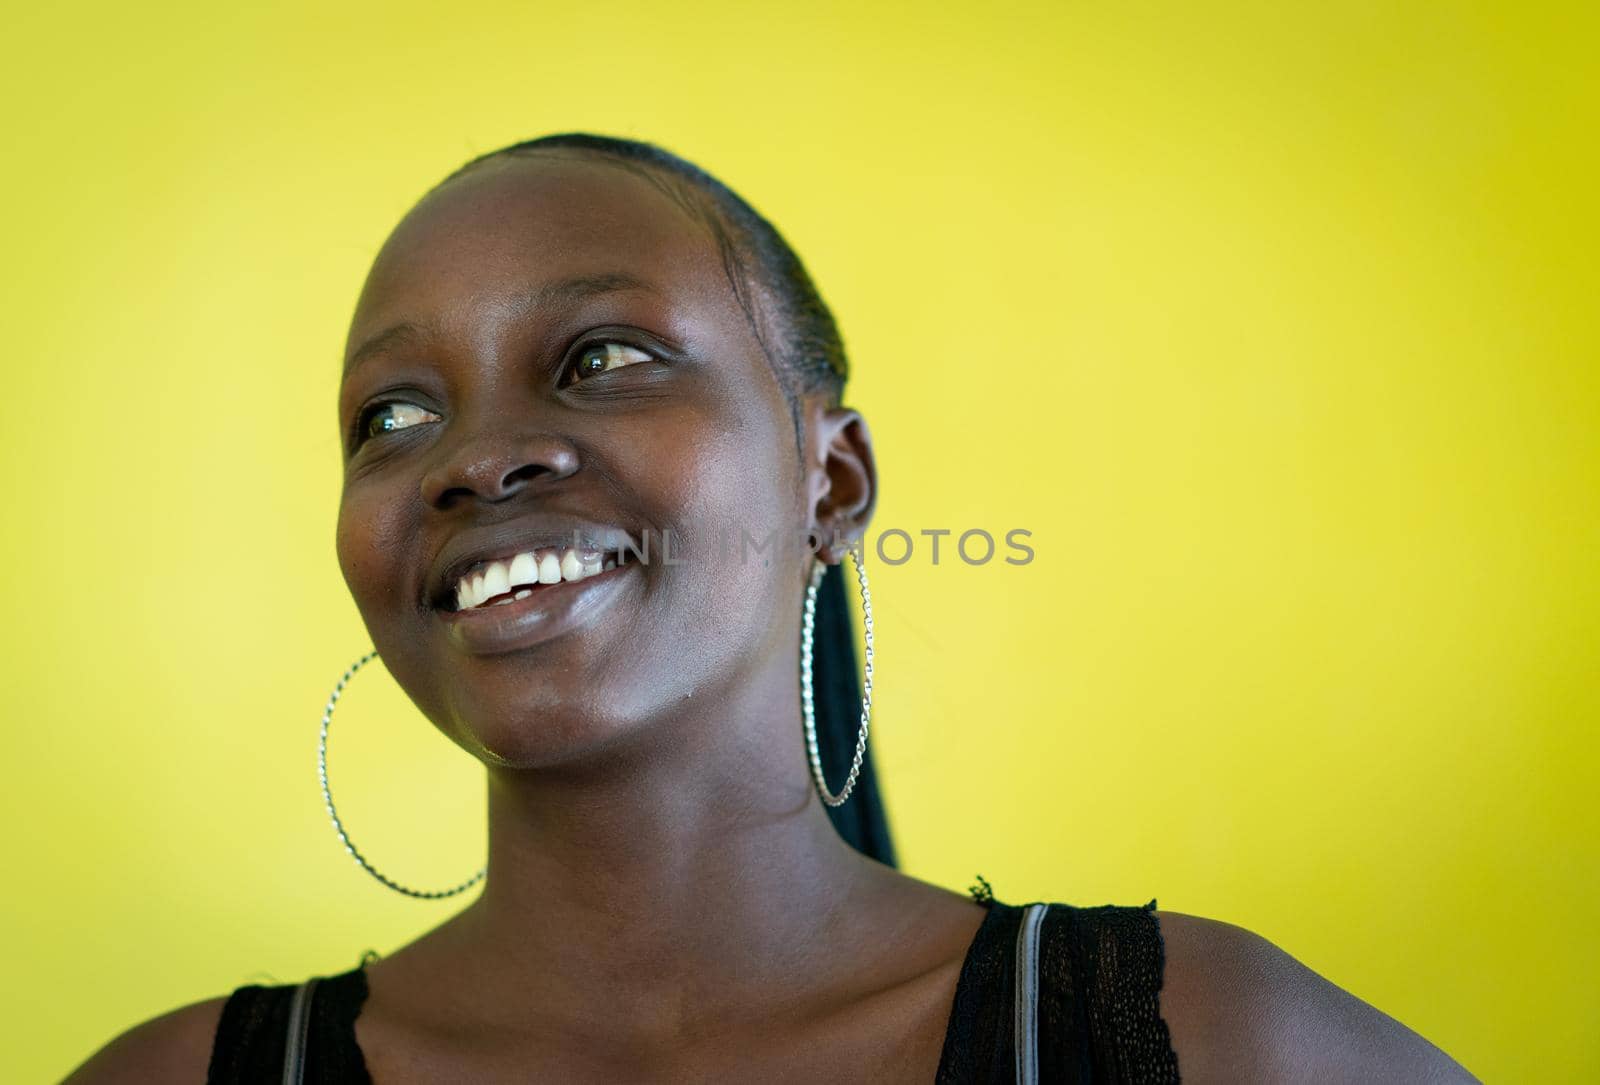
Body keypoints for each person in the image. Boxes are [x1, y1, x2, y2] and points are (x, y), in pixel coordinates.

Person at [65, 134, 1476, 1082]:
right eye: (395, 410)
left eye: (602, 354)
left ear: (833, 478)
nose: (477, 454)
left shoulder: (1190, 1038)